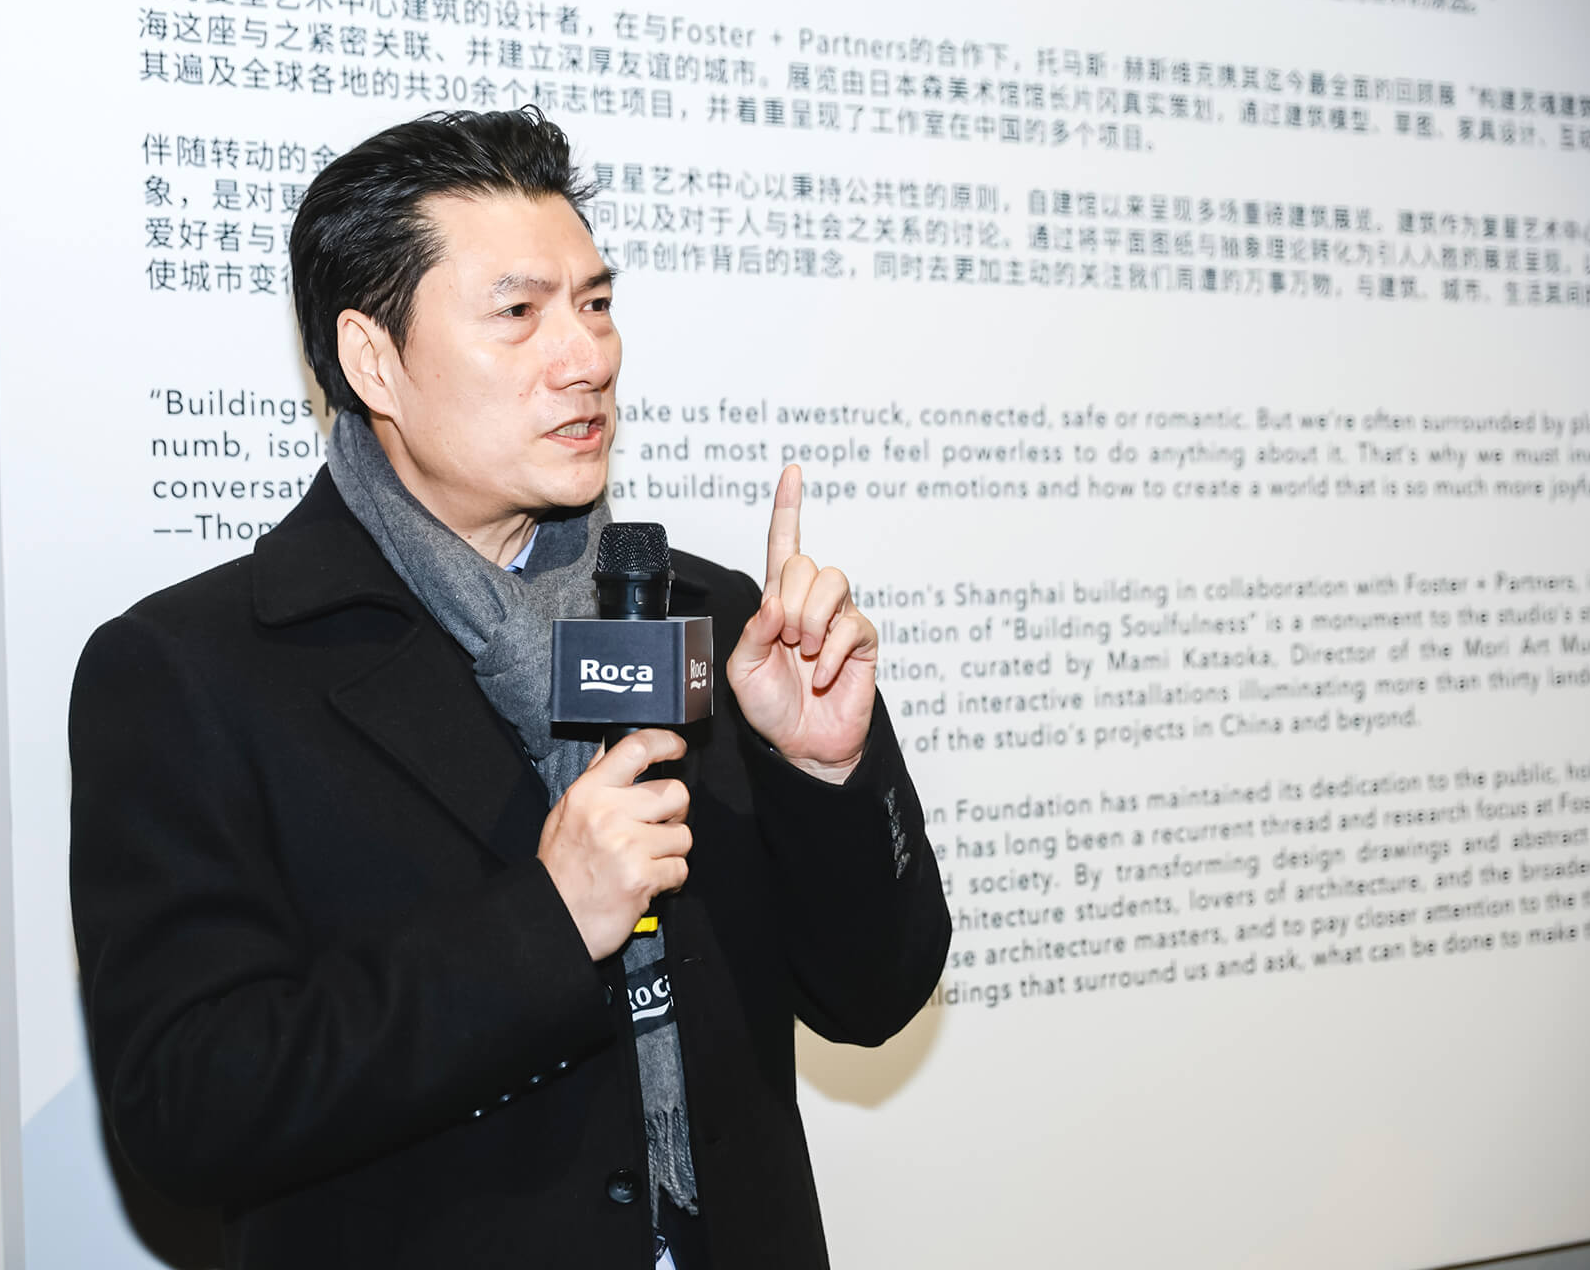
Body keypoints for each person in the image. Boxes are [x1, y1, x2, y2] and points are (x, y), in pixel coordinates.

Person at [68, 107, 950, 1269]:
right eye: (520, 313)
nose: (589, 357)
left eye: (595, 302)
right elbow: (189, 1107)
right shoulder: (195, 671)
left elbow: (873, 995)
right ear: (373, 360)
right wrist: (547, 920)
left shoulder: (716, 616)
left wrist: (824, 769)